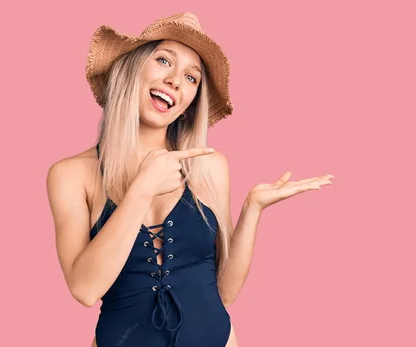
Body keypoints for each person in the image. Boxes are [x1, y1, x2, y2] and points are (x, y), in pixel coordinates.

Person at [45, 12, 334, 347]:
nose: (175, 81)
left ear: (188, 105)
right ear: (130, 70)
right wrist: (141, 188)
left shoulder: (208, 167)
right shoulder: (71, 175)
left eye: (192, 78)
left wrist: (253, 209)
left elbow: (225, 292)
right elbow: (84, 289)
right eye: (164, 61)